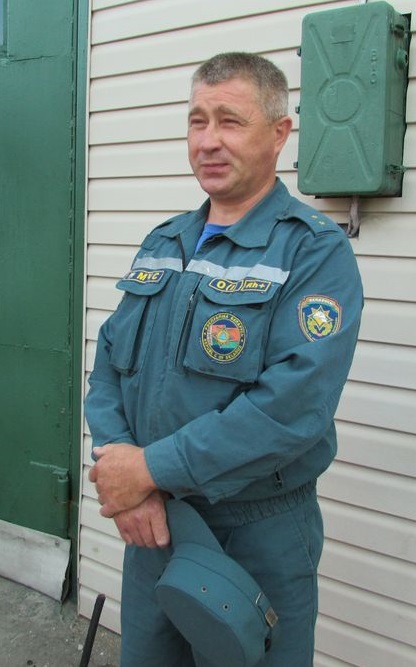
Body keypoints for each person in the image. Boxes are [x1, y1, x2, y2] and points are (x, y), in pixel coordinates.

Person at [86, 52, 363, 666]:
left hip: (258, 534)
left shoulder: (313, 253)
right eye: (197, 121)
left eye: (230, 121)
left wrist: (150, 468)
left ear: (279, 133)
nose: (208, 141)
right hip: (154, 525)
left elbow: (293, 407)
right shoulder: (164, 242)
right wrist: (125, 477)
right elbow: (107, 366)